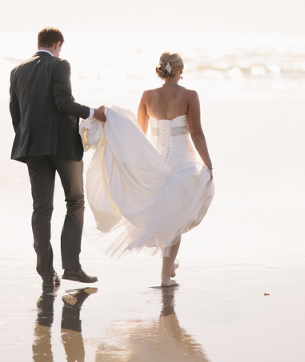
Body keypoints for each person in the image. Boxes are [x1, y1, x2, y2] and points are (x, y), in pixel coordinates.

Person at [81, 51, 214, 287]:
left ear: (163, 70)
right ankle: (165, 278)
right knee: (176, 220)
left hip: (156, 161)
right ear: (180, 71)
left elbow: (138, 135)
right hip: (182, 162)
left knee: (167, 217)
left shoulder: (147, 96)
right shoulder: (190, 95)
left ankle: (169, 266)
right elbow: (196, 133)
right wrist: (208, 163)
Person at [9, 27, 106, 291]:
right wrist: (92, 112)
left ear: (39, 43)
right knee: (75, 201)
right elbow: (63, 102)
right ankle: (72, 268)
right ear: (58, 44)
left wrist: (28, 138)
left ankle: (45, 272)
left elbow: (15, 112)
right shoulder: (60, 64)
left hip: (32, 147)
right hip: (62, 146)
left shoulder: (17, 71)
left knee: (41, 208)